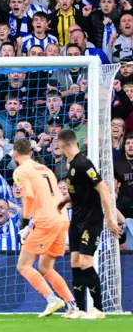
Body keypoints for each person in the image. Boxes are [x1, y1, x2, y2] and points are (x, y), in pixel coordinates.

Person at [55, 129, 122, 319]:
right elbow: (82, 191)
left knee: (85, 262)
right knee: (75, 261)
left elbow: (103, 189)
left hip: (90, 220)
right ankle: (80, 309)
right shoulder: (72, 165)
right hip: (76, 218)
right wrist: (65, 199)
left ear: (61, 145)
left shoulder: (84, 163)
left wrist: (109, 218)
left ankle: (99, 309)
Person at [12, 138, 78, 317]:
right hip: (62, 218)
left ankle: (51, 299)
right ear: (31, 153)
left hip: (46, 220)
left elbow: (28, 196)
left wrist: (25, 225)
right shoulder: (46, 169)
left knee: (23, 265)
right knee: (46, 267)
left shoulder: (21, 170)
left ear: (14, 154)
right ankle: (72, 305)